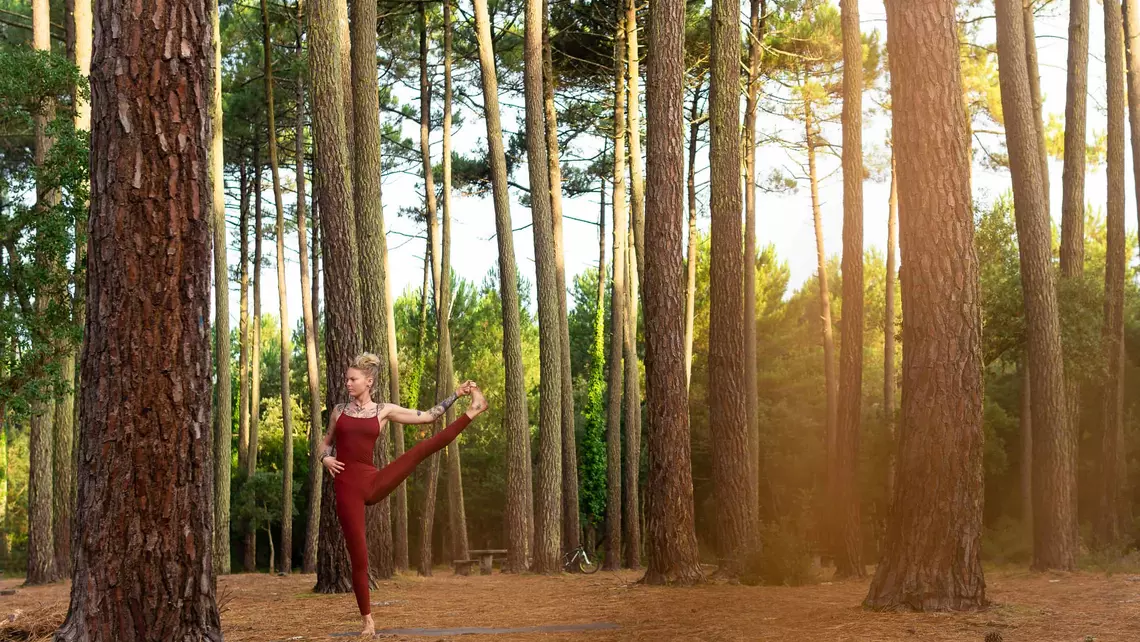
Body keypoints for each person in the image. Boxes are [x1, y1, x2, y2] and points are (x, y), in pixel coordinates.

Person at [318, 352, 487, 636]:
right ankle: (368, 620)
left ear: (368, 381)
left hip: (373, 481)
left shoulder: (383, 410)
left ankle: (475, 409)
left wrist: (456, 395)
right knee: (359, 555)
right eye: (347, 379)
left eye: (352, 379)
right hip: (346, 487)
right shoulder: (338, 411)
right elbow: (324, 443)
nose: (347, 383)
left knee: (420, 450)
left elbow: (430, 416)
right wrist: (325, 459)